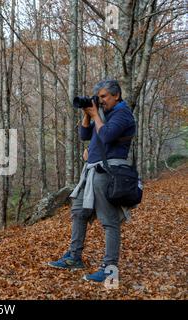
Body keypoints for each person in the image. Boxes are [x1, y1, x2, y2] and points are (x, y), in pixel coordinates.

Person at [48, 80, 136, 283]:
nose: (101, 101)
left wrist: (96, 114)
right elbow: (84, 135)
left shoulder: (123, 113)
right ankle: (74, 257)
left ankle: (109, 269)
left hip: (107, 172)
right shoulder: (104, 113)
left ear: (116, 95)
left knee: (109, 221)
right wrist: (87, 114)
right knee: (78, 212)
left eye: (104, 97)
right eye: (99, 97)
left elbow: (105, 136)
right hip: (90, 172)